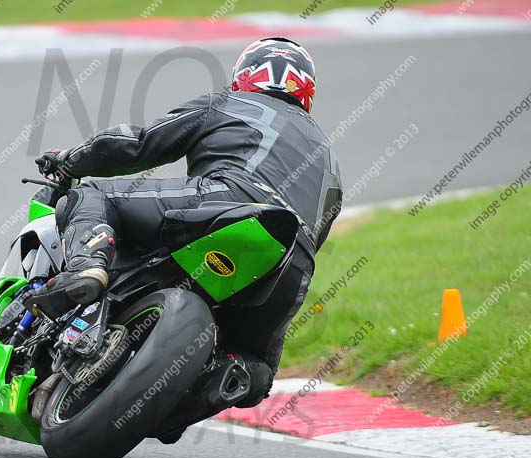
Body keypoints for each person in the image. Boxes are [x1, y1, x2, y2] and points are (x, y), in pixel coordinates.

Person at [25, 37, 342, 408]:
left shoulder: (226, 102)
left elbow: (138, 144)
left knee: (94, 193)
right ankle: (197, 393)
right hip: (293, 257)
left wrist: (71, 160)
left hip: (226, 200)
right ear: (307, 90)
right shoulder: (330, 161)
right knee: (255, 366)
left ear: (244, 76)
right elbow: (318, 232)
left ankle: (87, 269)